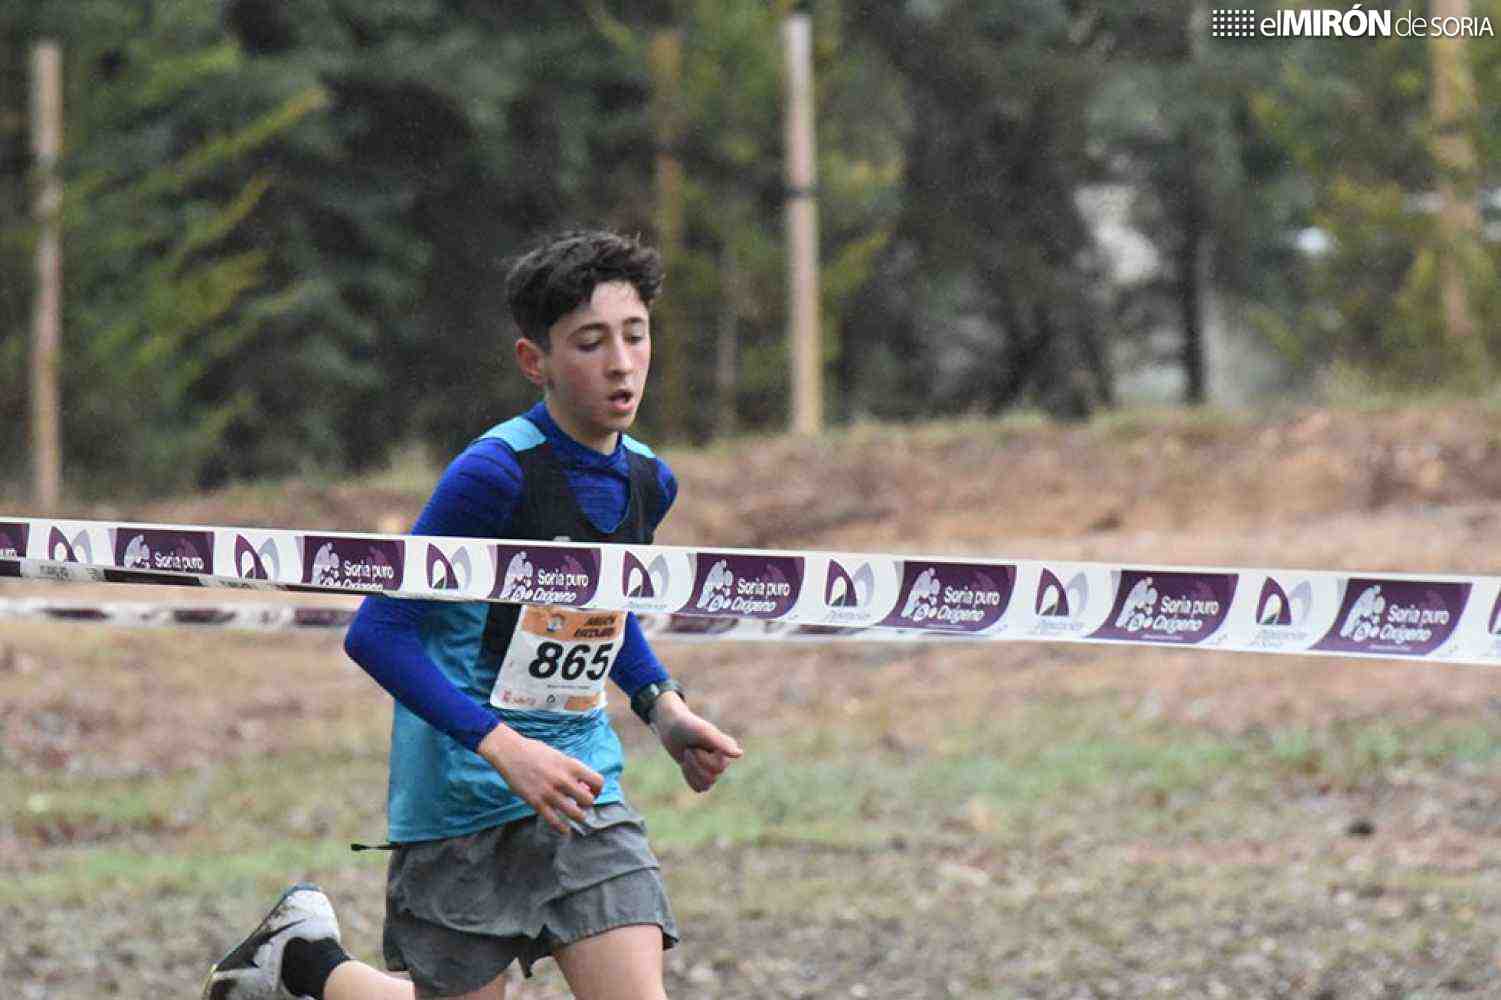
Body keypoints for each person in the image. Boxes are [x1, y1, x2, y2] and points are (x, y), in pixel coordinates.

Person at [203, 229, 744, 1000]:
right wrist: (504, 749)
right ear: (536, 361)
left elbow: (599, 613)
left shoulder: (648, 480)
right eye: (590, 343)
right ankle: (302, 966)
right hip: (463, 799)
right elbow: (377, 633)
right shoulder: (492, 474)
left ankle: (300, 963)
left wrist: (663, 707)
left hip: (584, 786)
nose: (621, 363)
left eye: (635, 335)